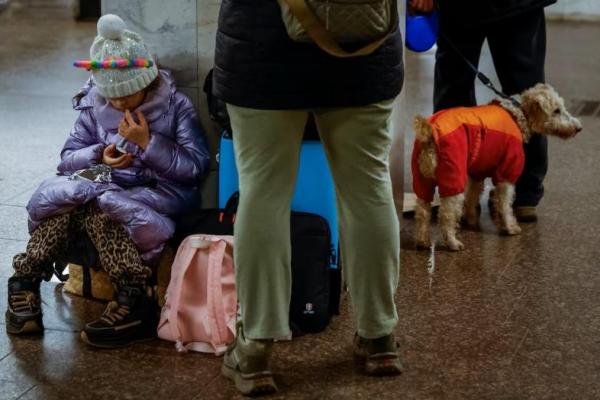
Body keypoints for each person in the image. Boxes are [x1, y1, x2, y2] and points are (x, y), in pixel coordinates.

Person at [213, 1, 404, 395]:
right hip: (363, 46)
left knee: (263, 195)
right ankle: (379, 337)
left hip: (261, 50)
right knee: (368, 190)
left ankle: (255, 350)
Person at [5, 14, 210, 348]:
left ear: (147, 81)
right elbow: (67, 158)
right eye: (111, 96)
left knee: (107, 209)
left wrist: (148, 144)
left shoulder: (176, 107)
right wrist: (99, 154)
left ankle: (134, 298)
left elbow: (196, 167)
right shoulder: (93, 105)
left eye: (128, 94)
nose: (118, 103)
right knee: (64, 199)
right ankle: (25, 281)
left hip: (156, 187)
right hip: (105, 175)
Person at [412, 0, 557, 221]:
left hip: (462, 8)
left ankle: (455, 191)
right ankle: (522, 194)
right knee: (527, 94)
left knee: (454, 91)